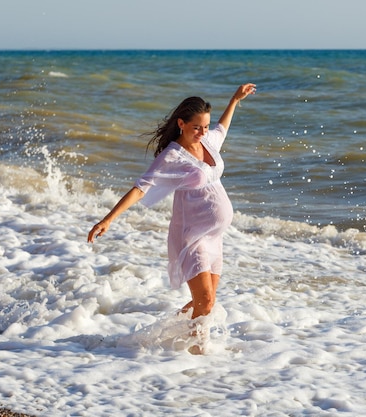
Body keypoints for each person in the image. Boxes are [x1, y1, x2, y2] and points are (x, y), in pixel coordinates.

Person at [87, 83, 256, 326]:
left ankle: (181, 339)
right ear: (181, 124)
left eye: (205, 126)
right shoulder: (172, 156)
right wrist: (108, 219)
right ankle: (180, 342)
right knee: (205, 301)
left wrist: (235, 100)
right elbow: (140, 187)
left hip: (214, 238)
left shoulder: (208, 141)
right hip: (192, 236)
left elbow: (222, 128)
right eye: (196, 127)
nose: (202, 132)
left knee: (205, 303)